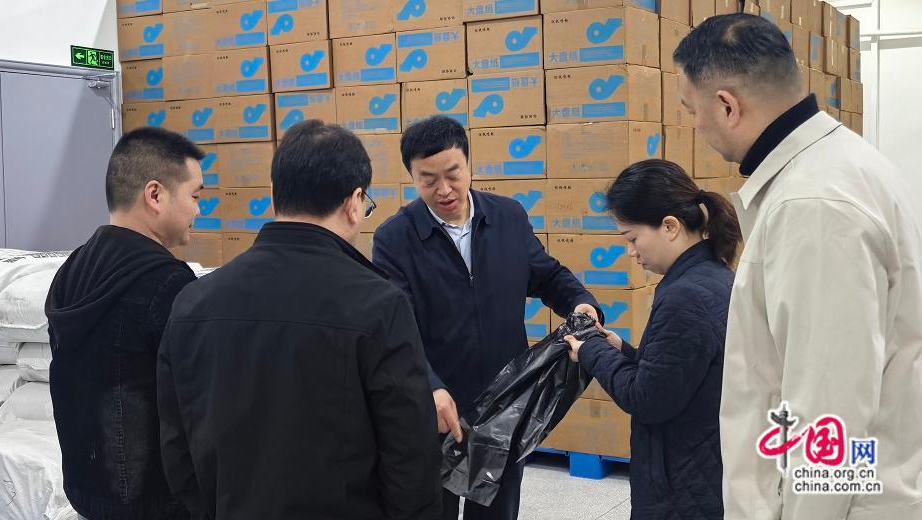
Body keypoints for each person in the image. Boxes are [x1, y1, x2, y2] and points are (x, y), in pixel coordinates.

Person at [674, 13, 922, 518]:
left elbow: (829, 410)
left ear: (727, 106)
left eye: (692, 110)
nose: (695, 126)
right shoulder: (844, 164)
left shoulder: (813, 205)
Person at [156, 120, 442, 520]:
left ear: (275, 196)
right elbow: (411, 457)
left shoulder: (193, 303)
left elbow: (177, 445)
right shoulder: (378, 305)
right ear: (355, 202)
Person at [372, 116, 603, 520]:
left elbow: (547, 275)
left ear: (469, 163)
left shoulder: (507, 217)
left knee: (497, 512)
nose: (444, 190)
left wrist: (581, 303)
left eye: (453, 174)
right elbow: (394, 328)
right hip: (435, 411)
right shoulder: (395, 239)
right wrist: (428, 386)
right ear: (412, 177)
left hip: (505, 409)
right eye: (428, 180)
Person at [565, 159, 740, 519]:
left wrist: (591, 349)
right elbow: (679, 374)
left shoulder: (686, 296)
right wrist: (621, 350)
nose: (631, 252)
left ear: (670, 226)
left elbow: (647, 398)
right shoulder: (712, 275)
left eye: (632, 238)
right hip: (703, 466)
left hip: (680, 485)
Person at [45, 127, 204, 519]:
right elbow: (196, 406)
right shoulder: (166, 281)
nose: (198, 211)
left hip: (87, 493)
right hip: (155, 504)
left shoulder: (72, 269)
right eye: (195, 196)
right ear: (155, 195)